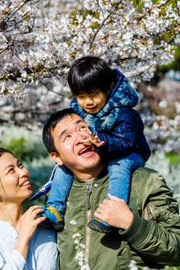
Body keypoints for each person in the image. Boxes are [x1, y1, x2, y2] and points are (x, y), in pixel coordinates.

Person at [42, 109, 180, 270]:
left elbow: (179, 249)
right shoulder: (58, 202)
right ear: (56, 157)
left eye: (83, 127)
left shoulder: (143, 182)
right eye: (67, 136)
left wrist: (131, 224)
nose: (81, 137)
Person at [43, 56, 151, 236]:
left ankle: (113, 210)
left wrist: (101, 140)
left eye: (93, 95)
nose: (88, 103)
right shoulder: (80, 112)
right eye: (81, 97)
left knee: (119, 164)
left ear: (109, 87)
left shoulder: (123, 113)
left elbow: (126, 143)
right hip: (104, 149)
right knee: (64, 165)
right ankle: (55, 209)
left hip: (130, 153)